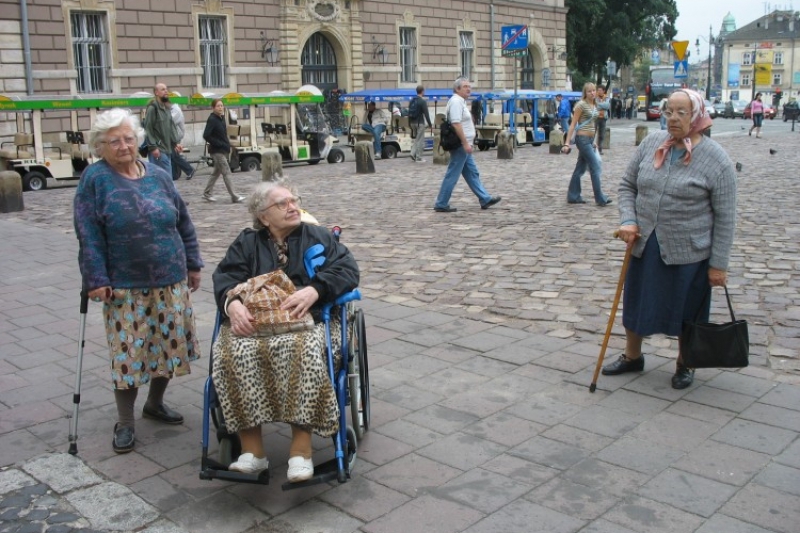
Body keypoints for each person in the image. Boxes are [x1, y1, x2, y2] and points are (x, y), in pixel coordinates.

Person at [73, 108, 204, 454]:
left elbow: (183, 222)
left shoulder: (159, 174)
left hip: (170, 280)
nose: (123, 146)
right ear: (100, 146)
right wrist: (95, 278)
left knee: (167, 348)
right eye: (113, 141)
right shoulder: (95, 179)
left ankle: (155, 403)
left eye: (128, 138)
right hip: (124, 286)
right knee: (129, 354)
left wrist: (193, 263)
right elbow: (88, 234)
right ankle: (126, 421)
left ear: (138, 140)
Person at [211, 180, 359, 482]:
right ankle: (252, 452)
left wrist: (316, 290)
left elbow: (348, 269)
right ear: (263, 216)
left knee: (301, 350)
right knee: (231, 352)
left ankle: (301, 452)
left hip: (310, 320)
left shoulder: (318, 236)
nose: (293, 207)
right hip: (257, 322)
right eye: (283, 203)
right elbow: (225, 276)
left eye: (294, 200)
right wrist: (233, 304)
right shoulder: (247, 243)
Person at [602, 89, 737, 389]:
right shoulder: (652, 143)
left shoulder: (717, 160)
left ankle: (685, 362)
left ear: (698, 116)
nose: (673, 119)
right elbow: (627, 186)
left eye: (681, 113)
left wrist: (719, 265)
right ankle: (632, 356)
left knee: (687, 311)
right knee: (637, 303)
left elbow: (726, 217)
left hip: (689, 252)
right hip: (646, 244)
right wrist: (629, 219)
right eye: (669, 112)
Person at [433, 76, 502, 213]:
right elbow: (456, 123)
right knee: (453, 174)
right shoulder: (456, 102)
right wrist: (465, 143)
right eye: (465, 86)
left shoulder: (461, 102)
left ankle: (484, 198)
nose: (468, 88)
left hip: (465, 144)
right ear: (457, 89)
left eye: (469, 86)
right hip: (460, 144)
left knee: (472, 173)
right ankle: (441, 202)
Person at [563, 82, 612, 207]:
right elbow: (573, 124)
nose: (592, 93)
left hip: (589, 140)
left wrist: (594, 142)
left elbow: (592, 125)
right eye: (589, 91)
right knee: (595, 167)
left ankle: (573, 196)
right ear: (585, 93)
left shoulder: (595, 105)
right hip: (582, 139)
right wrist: (567, 143)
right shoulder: (581, 105)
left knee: (580, 168)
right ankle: (600, 198)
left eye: (594, 90)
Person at [202, 99, 246, 204]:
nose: (220, 108)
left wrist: (227, 145)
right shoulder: (212, 119)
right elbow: (206, 135)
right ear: (213, 108)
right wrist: (219, 144)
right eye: (218, 106)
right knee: (226, 172)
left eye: (222, 106)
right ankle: (234, 196)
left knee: (215, 173)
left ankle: (207, 193)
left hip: (223, 149)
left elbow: (223, 134)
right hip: (216, 150)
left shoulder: (221, 118)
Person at [144, 82, 181, 177]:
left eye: (166, 89)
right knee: (166, 177)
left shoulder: (166, 108)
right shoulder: (153, 108)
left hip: (167, 148)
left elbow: (170, 127)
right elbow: (148, 128)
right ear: (156, 92)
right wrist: (153, 147)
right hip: (158, 149)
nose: (166, 91)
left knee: (164, 178)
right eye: (163, 89)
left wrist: (175, 143)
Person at [169, 97, 195, 181]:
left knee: (174, 155)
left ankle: (189, 169)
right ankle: (175, 174)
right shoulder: (171, 109)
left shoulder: (176, 110)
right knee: (173, 155)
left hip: (176, 135)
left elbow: (170, 122)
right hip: (173, 135)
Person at [410, 85, 432, 163]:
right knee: (420, 140)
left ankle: (413, 154)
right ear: (422, 91)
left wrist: (410, 124)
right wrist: (430, 124)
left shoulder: (412, 100)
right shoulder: (422, 101)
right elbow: (426, 114)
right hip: (420, 123)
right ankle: (418, 157)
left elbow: (409, 112)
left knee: (417, 139)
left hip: (413, 123)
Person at [595, 86, 610, 155]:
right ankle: (593, 148)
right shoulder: (595, 98)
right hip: (596, 117)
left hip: (603, 118)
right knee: (593, 133)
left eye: (600, 90)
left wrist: (599, 105)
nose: (599, 92)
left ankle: (600, 149)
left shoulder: (606, 98)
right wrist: (602, 106)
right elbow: (595, 106)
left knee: (601, 134)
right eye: (598, 90)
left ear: (603, 91)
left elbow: (607, 106)